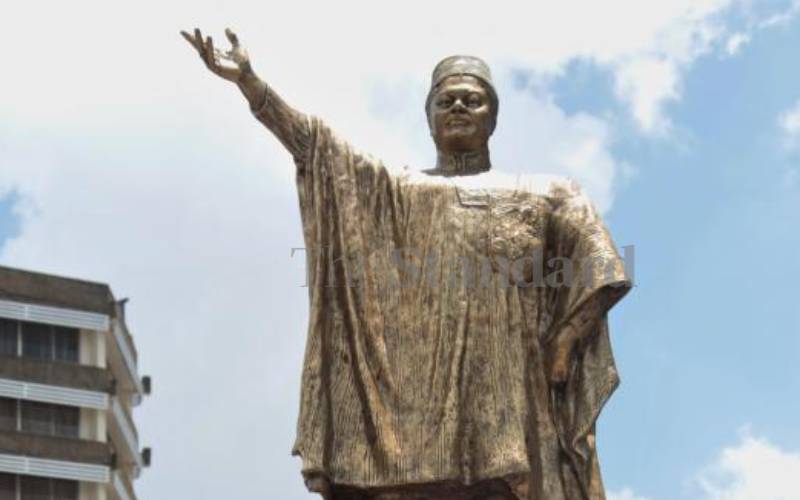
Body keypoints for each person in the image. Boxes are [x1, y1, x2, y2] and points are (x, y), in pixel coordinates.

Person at [182, 28, 631, 500]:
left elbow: (602, 266)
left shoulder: (545, 192)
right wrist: (252, 85)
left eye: (472, 101)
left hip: (509, 401)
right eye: (446, 101)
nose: (458, 108)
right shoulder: (396, 190)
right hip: (414, 415)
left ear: (493, 118)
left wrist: (563, 342)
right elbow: (315, 149)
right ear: (430, 118)